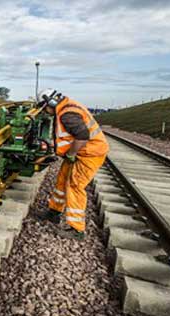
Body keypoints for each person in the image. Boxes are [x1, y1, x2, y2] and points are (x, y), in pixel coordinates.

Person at [37, 89, 109, 240]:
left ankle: (77, 230)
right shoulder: (65, 107)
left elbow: (82, 136)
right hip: (81, 152)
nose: (46, 112)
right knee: (62, 179)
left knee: (75, 185)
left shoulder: (67, 114)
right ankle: (54, 212)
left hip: (90, 154)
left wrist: (71, 154)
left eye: (45, 108)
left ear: (51, 103)